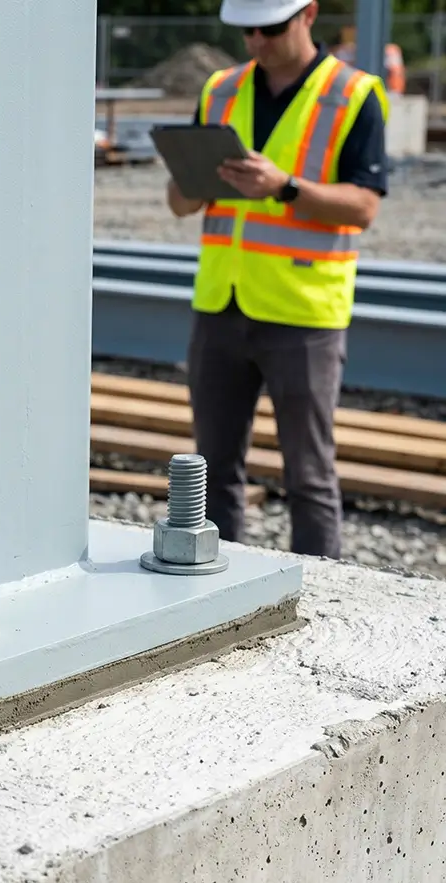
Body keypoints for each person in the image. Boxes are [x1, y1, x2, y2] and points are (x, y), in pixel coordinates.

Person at [166, 0, 389, 560]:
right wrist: (196, 180)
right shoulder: (219, 90)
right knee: (212, 471)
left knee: (309, 477)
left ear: (308, 15)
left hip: (304, 313)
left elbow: (362, 207)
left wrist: (285, 186)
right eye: (246, 31)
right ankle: (213, 594)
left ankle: (324, 598)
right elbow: (179, 202)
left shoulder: (353, 93)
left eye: (270, 28)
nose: (257, 42)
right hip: (221, 304)